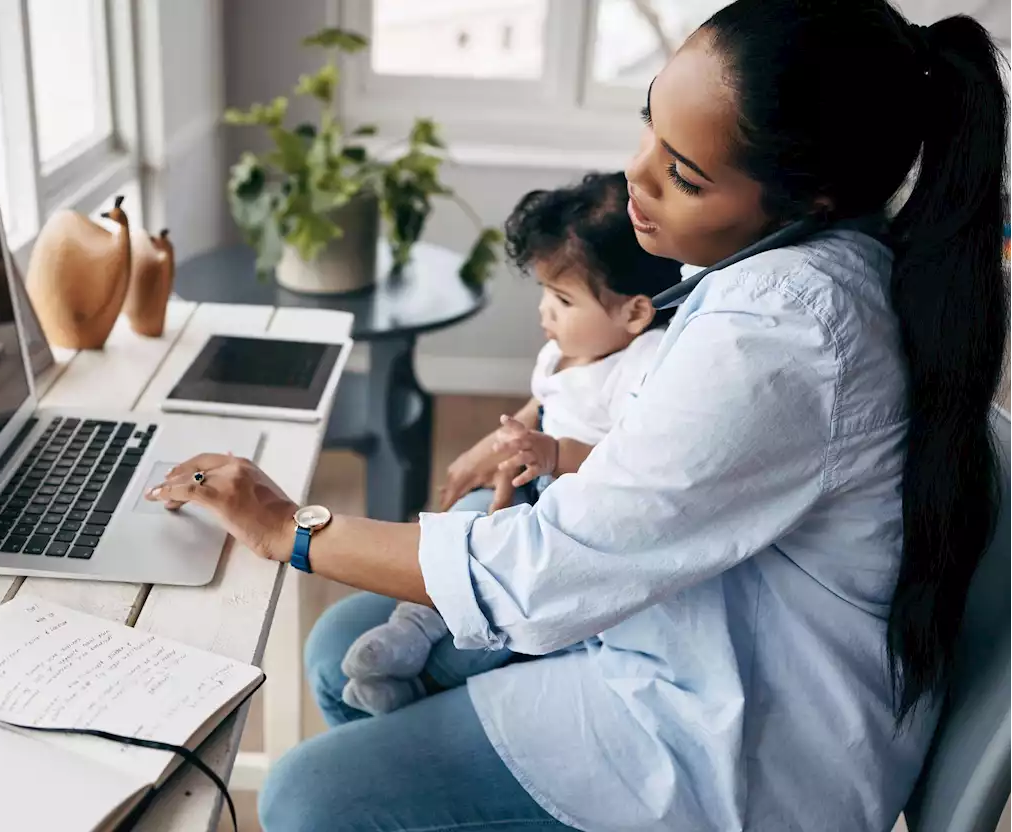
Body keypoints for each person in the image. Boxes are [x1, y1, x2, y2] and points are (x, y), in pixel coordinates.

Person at [149, 1, 1009, 828]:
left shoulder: (786, 335)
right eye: (651, 129)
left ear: (808, 199)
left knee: (305, 797)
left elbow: (543, 573)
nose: (635, 176)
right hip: (689, 628)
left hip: (743, 743)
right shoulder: (784, 273)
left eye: (684, 173)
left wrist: (286, 527)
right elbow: (665, 481)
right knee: (346, 649)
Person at [341, 172, 682, 716]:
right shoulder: (565, 351)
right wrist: (509, 443)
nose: (545, 311)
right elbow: (542, 401)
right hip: (525, 486)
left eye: (564, 299)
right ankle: (405, 633)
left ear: (635, 312)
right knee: (455, 539)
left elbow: (628, 468)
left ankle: (419, 688)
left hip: (568, 522)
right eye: (546, 293)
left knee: (498, 612)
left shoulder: (642, 365)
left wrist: (553, 454)